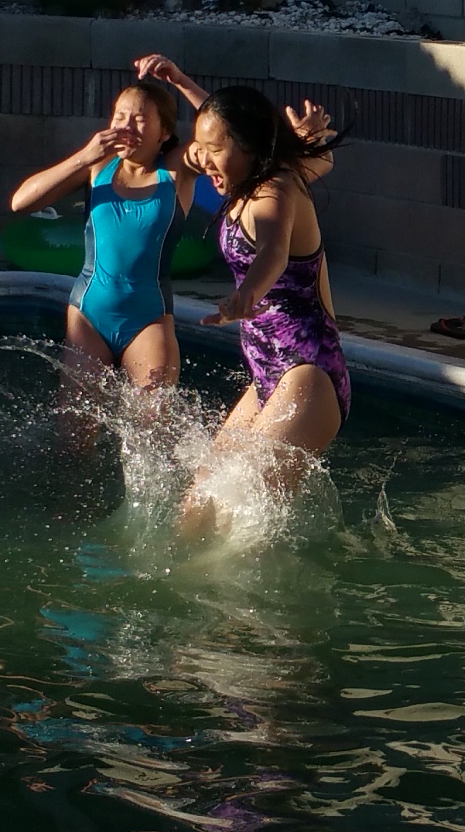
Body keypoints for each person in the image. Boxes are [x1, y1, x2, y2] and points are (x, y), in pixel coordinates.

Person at [132, 58, 350, 537]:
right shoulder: (251, 174)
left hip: (308, 374)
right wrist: (181, 82)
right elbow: (224, 125)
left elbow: (273, 252)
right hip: (268, 375)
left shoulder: (276, 191)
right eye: (201, 149)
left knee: (242, 526)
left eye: (214, 151)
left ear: (250, 147)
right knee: (198, 512)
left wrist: (245, 295)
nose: (202, 159)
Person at [8, 76, 191, 391]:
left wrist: (180, 80)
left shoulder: (177, 170)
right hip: (88, 314)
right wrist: (84, 156)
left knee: (155, 421)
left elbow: (223, 131)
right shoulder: (98, 166)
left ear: (164, 132)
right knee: (75, 423)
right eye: (120, 117)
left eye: (139, 119)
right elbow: (20, 202)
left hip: (149, 317)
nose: (126, 126)